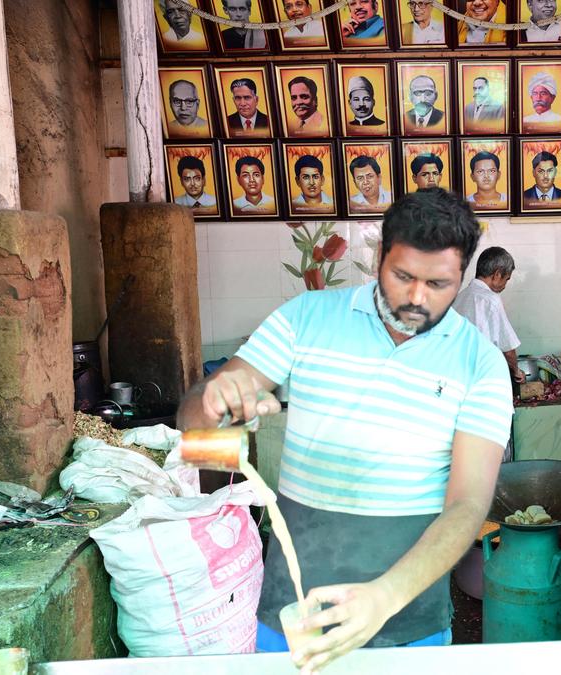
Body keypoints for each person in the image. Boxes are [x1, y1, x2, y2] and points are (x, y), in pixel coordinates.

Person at [176, 188, 512, 671]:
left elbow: (468, 504)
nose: (417, 298)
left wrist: (384, 597)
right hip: (293, 612)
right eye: (403, 276)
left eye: (438, 284)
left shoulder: (480, 364)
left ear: (462, 276)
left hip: (408, 621)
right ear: (378, 258)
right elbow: (193, 425)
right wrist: (215, 403)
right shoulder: (306, 318)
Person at [453, 247, 524, 388]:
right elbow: (508, 349)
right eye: (506, 279)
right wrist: (517, 372)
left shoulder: (460, 297)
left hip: (457, 377)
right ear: (497, 274)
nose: (505, 285)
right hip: (482, 379)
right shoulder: (491, 300)